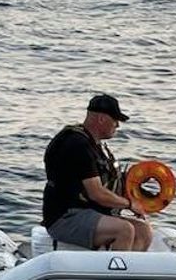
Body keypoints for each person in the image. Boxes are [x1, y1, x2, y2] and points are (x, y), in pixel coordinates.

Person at [42, 94, 152, 251]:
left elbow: (108, 183)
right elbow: (97, 194)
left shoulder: (95, 145)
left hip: (89, 212)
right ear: (101, 119)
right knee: (124, 230)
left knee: (143, 231)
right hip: (65, 217)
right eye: (115, 120)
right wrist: (130, 204)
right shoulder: (77, 145)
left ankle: (129, 272)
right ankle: (114, 273)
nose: (117, 126)